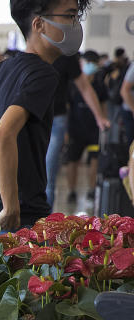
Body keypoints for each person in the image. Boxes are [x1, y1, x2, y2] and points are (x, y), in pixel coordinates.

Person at [0, 0, 90, 235]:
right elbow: (2, 134)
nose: (75, 25)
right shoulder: (43, 74)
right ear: (39, 24)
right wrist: (11, 205)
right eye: (70, 16)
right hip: (14, 221)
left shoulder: (1, 70)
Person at [45, 52, 109, 205]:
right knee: (71, 161)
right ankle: (71, 190)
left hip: (71, 124)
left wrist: (100, 118)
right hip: (70, 127)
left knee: (49, 173)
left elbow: (91, 95)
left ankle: (43, 220)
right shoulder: (34, 53)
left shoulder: (68, 59)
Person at [64, 51, 108, 206]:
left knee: (95, 160)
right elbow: (67, 107)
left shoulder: (100, 85)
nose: (90, 66)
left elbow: (103, 107)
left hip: (94, 130)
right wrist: (66, 131)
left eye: (93, 63)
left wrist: (103, 123)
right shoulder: (73, 84)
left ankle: (91, 189)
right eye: (87, 62)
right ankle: (71, 191)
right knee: (73, 161)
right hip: (75, 129)